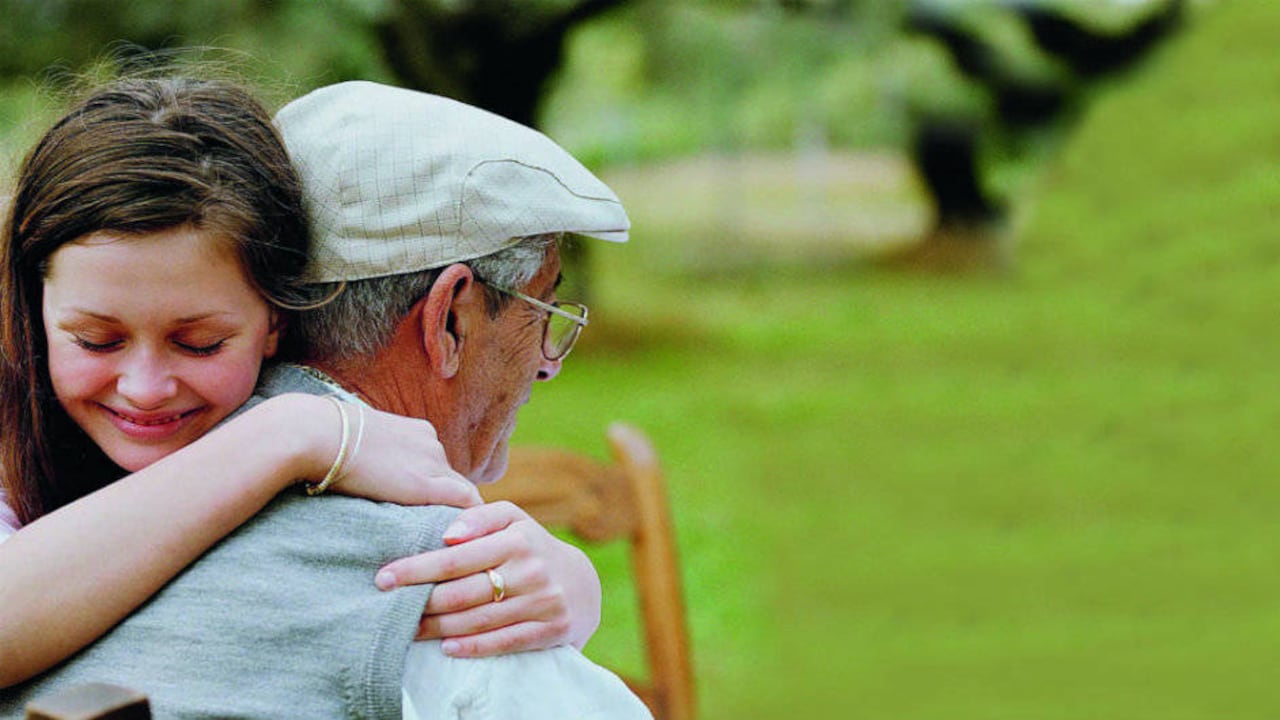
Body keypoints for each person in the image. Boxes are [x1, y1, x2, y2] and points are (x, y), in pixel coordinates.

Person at [0, 80, 651, 718]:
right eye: (94, 339)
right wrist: (294, 433)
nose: (145, 387)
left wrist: (574, 582)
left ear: (271, 322)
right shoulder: (426, 607)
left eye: (199, 343)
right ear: (449, 318)